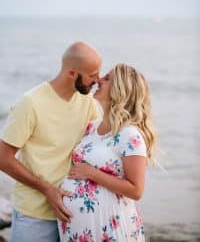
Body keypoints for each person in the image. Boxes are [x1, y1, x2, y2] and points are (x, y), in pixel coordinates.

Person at [0, 41, 102, 242]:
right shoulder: (30, 103)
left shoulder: (87, 101)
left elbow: (96, 147)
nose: (97, 81)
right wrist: (47, 190)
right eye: (92, 75)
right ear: (72, 73)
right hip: (34, 216)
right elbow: (3, 158)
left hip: (74, 213)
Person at [58, 63, 156, 242]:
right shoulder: (91, 127)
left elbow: (136, 190)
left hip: (110, 230)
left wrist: (91, 173)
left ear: (119, 89)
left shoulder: (130, 135)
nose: (98, 79)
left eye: (107, 78)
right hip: (77, 231)